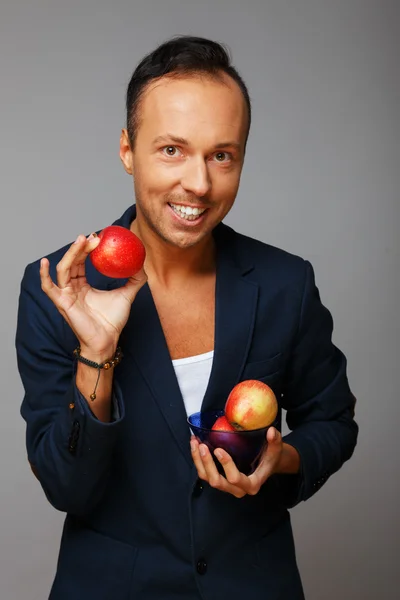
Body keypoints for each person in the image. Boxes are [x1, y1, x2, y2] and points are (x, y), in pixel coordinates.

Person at [16, 36, 358, 600]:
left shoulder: (284, 283)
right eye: (172, 150)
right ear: (127, 149)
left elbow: (335, 424)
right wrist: (96, 352)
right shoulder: (56, 288)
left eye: (221, 155)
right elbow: (66, 486)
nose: (199, 184)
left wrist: (279, 462)